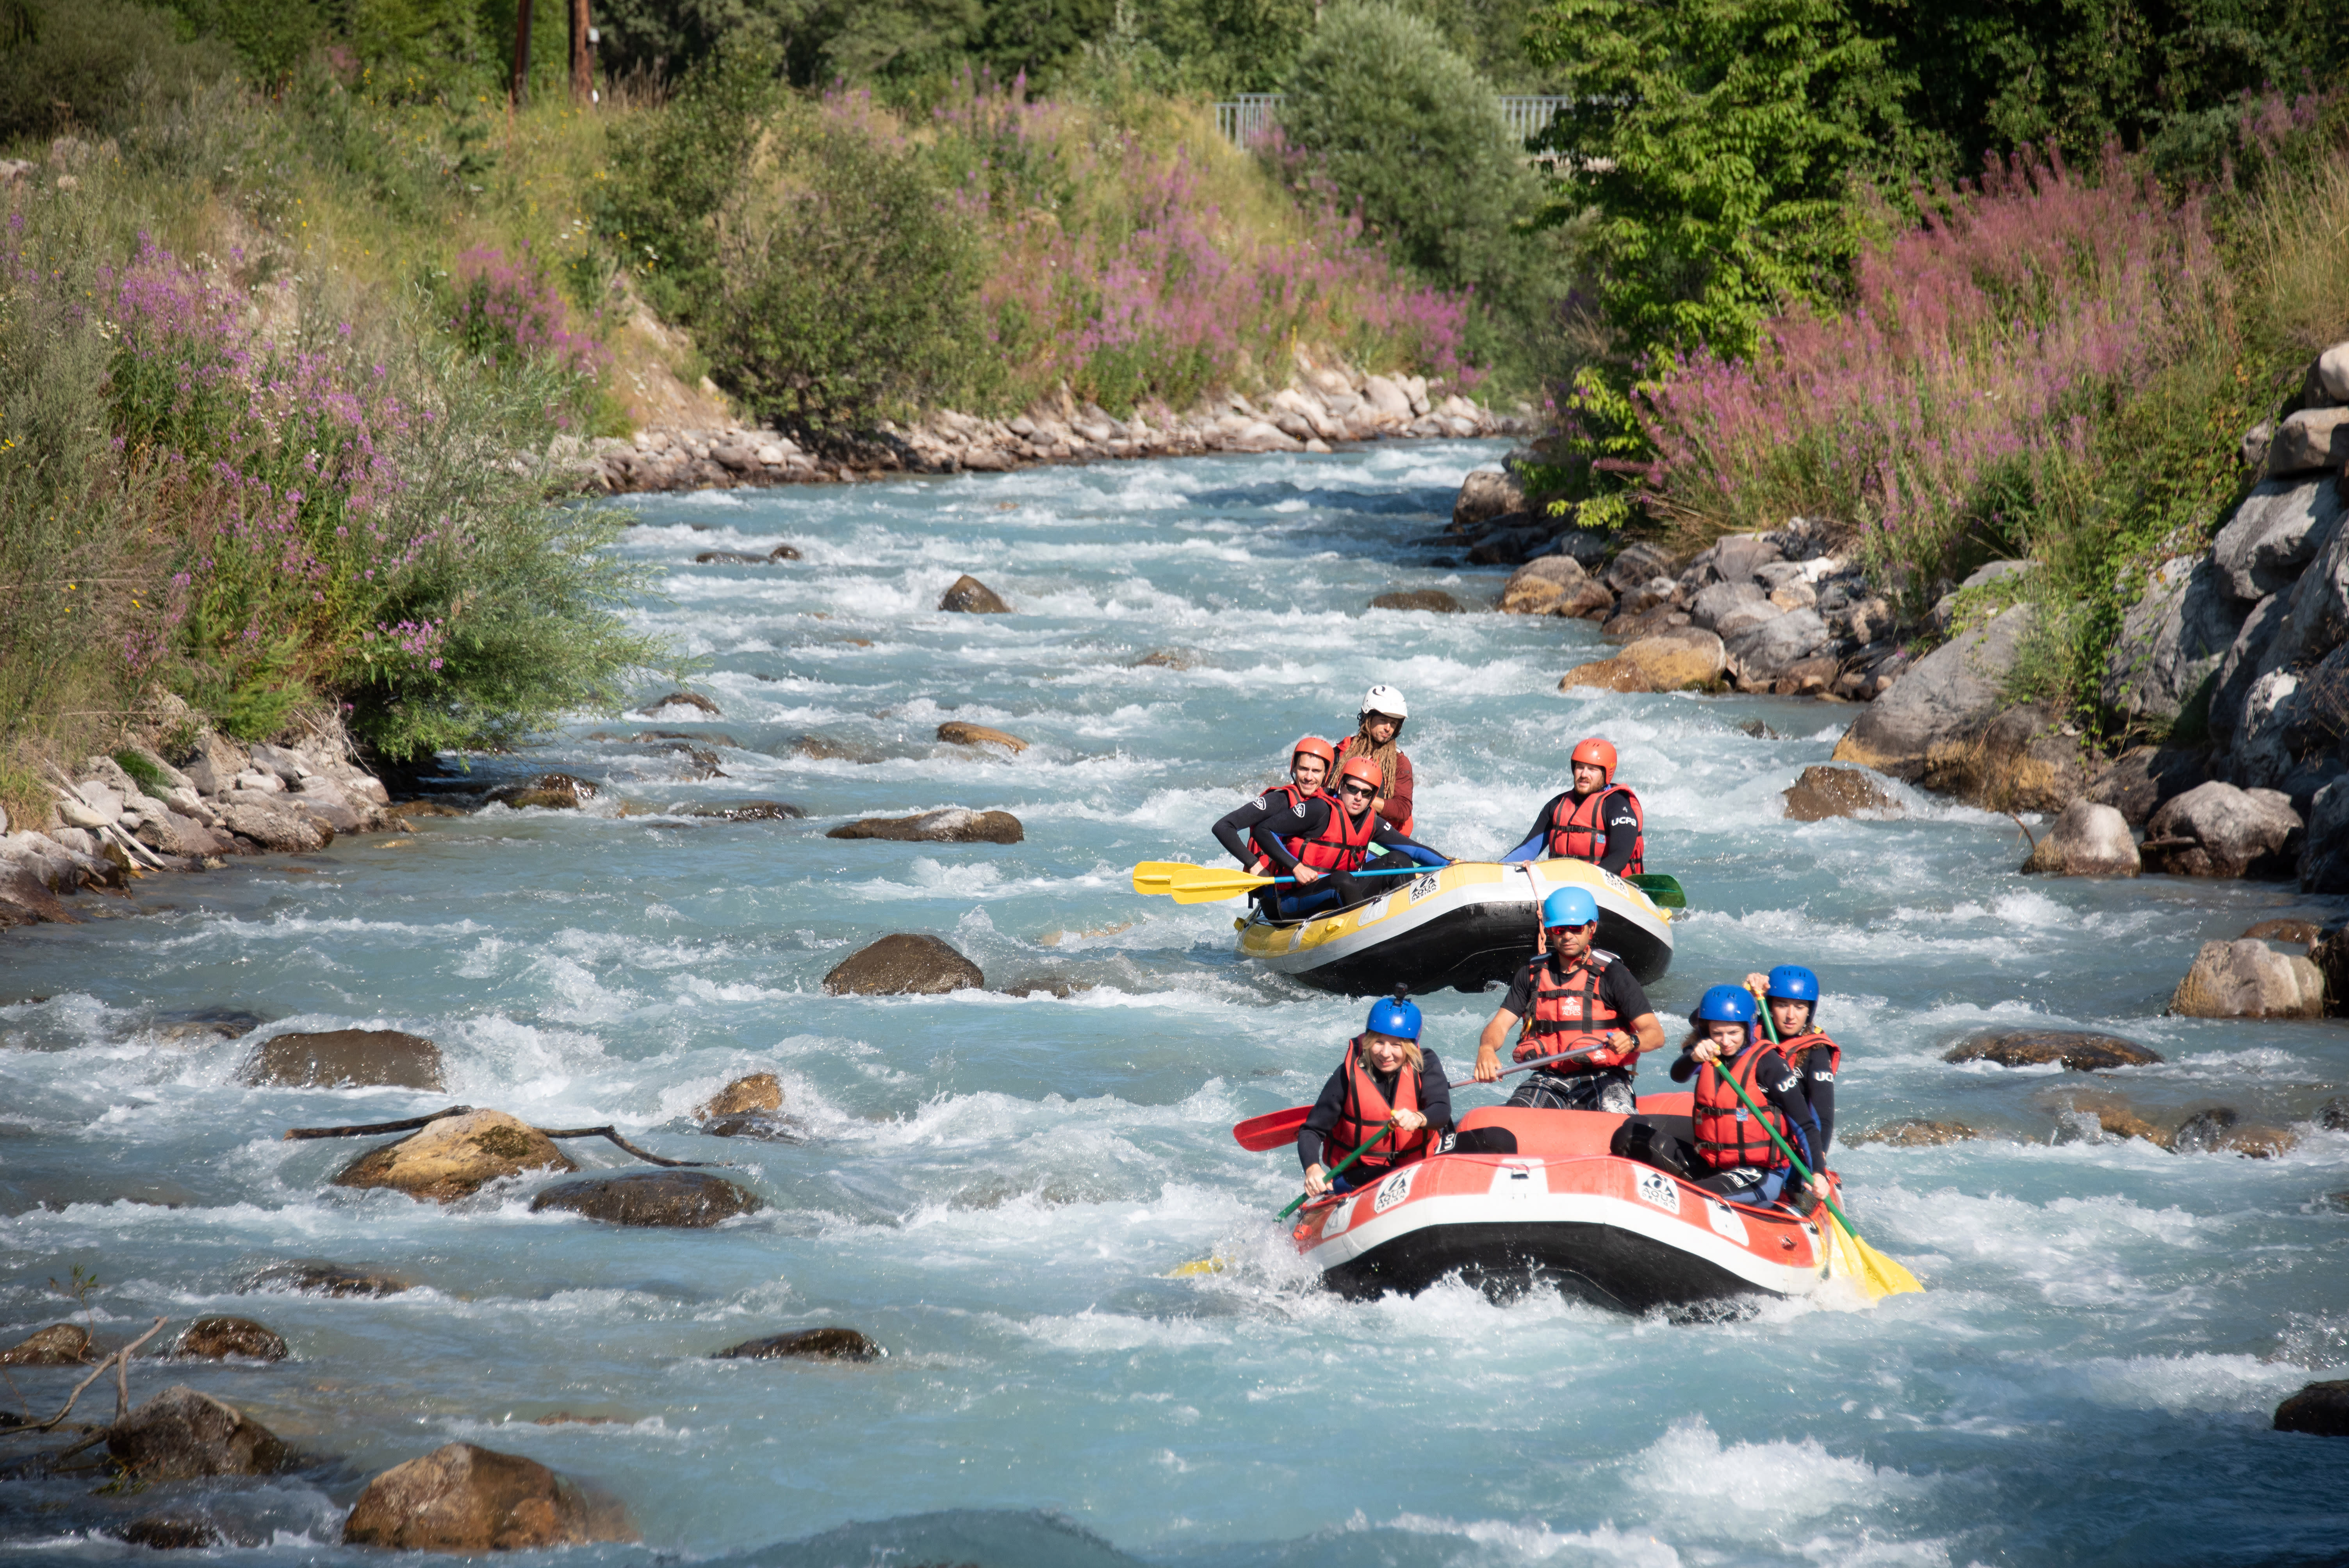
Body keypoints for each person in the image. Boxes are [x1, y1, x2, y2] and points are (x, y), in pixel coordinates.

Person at [1299, 993, 1516, 1196]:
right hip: (1365, 1171)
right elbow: (1311, 1130)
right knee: (1393, 1179)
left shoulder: (1426, 1064)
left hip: (1421, 1159)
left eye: (1396, 1045)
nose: (1385, 1053)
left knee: (1500, 1139)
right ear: (1367, 1041)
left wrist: (1419, 1118)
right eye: (1379, 1042)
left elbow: (1441, 1109)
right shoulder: (1347, 1076)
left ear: (1410, 1047)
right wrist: (1313, 1169)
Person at [1471, 887, 1665, 1113]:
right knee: (1512, 1125)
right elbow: (1499, 1025)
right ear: (1550, 931)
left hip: (1605, 1079)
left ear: (1592, 928)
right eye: (1560, 928)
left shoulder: (1613, 974)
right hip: (1548, 1080)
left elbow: (1655, 1034)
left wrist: (1632, 1041)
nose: (1568, 935)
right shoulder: (1531, 974)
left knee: (1616, 1126)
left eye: (1576, 927)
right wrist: (1486, 1049)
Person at [1667, 984, 1823, 1205]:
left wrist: (1818, 1173)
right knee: (1628, 1135)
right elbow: (1678, 1075)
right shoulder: (1706, 1053)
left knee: (1690, 1196)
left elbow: (1805, 1124)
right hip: (1713, 1164)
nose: (1726, 1042)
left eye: (1733, 1033)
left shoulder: (1769, 1064)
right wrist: (1693, 1057)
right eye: (1717, 1034)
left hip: (1759, 1173)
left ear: (1748, 1029)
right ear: (1706, 1032)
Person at [1246, 754, 1446, 921]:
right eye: (1352, 789)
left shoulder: (1371, 820)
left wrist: (1448, 863)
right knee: (1343, 880)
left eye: (1366, 793)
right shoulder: (1319, 810)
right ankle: (1366, 931)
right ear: (1341, 786)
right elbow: (1263, 830)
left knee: (1399, 860)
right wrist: (1295, 867)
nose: (1358, 797)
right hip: (1293, 899)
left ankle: (1409, 923)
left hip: (1340, 889)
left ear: (1373, 797)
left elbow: (1413, 849)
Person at [1499, 736, 1644, 875]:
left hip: (1605, 889)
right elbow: (1529, 848)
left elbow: (1620, 857)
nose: (1584, 774)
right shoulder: (1557, 805)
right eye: (1580, 767)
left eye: (1592, 769)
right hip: (1563, 886)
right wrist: (1496, 871)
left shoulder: (1618, 806)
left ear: (1606, 774)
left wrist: (1585, 880)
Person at [1744, 964, 1838, 1160]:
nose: (1791, 1016)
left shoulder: (1816, 1050)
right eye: (1782, 1005)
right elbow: (1702, 1024)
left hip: (1786, 1149)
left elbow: (1824, 1115)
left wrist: (1817, 1161)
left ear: (1810, 1010)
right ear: (1770, 1005)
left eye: (1799, 1007)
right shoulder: (1748, 1033)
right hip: (1745, 1132)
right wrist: (1745, 994)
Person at [1334, 684, 1415, 836]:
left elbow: (1403, 809)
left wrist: (1360, 799)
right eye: (1383, 720)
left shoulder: (1400, 763)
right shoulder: (1342, 752)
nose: (1388, 728)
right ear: (1368, 718)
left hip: (1377, 836)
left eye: (1394, 723)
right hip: (1339, 827)